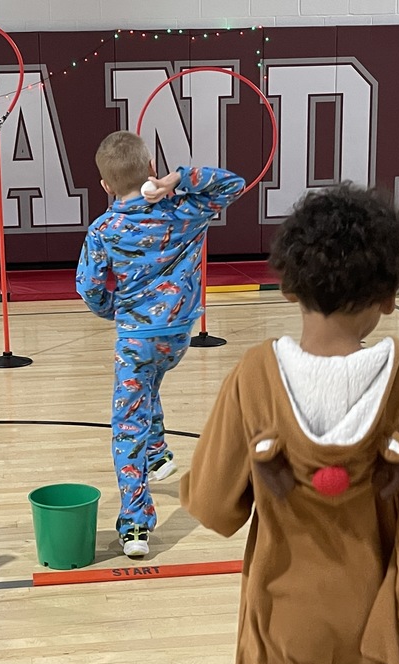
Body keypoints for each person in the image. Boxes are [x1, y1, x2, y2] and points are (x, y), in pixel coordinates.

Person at [179, 182, 399, 664]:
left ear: (287, 285)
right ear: (388, 297)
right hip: (370, 618)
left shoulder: (255, 375)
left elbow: (213, 508)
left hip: (283, 617)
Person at [76, 130, 245, 558]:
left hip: (136, 337)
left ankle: (135, 526)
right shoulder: (186, 210)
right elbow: (232, 183)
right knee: (148, 382)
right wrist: (180, 178)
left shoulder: (104, 230)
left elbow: (90, 288)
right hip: (178, 336)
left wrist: (113, 310)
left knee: (125, 423)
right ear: (151, 169)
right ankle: (158, 453)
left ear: (105, 186)